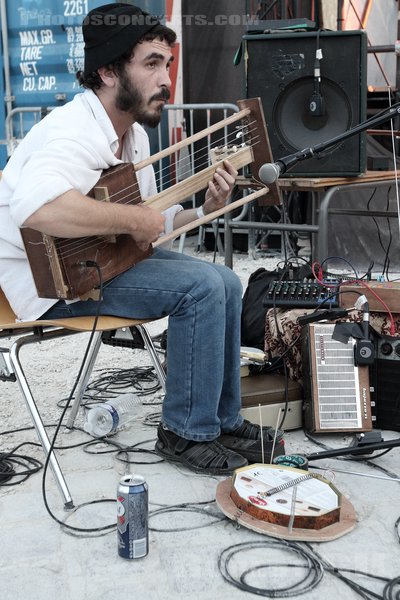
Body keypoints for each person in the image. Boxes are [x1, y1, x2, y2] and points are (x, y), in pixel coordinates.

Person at [0, 3, 284, 474]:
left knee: (228, 282)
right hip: (47, 281)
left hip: (103, 263)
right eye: (152, 63)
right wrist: (132, 222)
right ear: (108, 72)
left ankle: (222, 418)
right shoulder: (71, 133)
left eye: (168, 64)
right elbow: (37, 207)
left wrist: (201, 211)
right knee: (203, 286)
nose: (165, 79)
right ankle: (184, 433)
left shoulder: (133, 136)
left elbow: (150, 224)